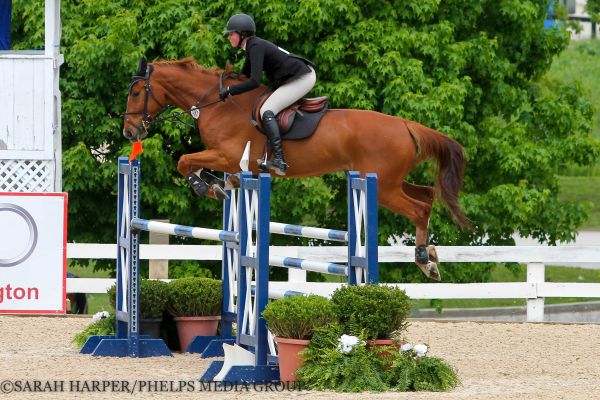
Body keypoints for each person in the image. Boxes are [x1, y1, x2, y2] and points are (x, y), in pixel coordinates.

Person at [219, 13, 317, 176]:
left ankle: (279, 159)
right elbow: (244, 75)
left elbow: (255, 81)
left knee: (266, 110)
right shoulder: (251, 47)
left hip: (302, 78)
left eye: (231, 33)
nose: (229, 37)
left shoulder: (255, 47)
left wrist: (229, 91)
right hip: (290, 78)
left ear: (242, 34)